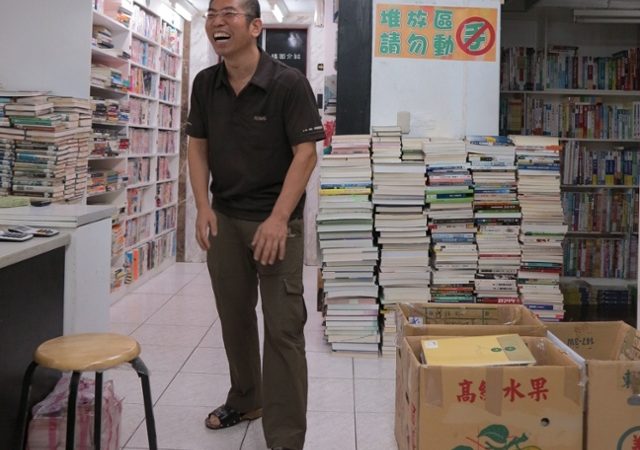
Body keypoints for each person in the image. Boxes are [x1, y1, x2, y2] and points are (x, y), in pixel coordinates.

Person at [186, 0, 325, 449]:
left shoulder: (288, 83)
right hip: (225, 219)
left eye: (228, 12)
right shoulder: (205, 84)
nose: (217, 21)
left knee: (283, 329)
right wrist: (202, 207)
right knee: (234, 318)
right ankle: (246, 399)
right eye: (211, 14)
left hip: (277, 224)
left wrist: (279, 218)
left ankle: (285, 437)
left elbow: (306, 154)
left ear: (255, 26)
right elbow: (197, 146)